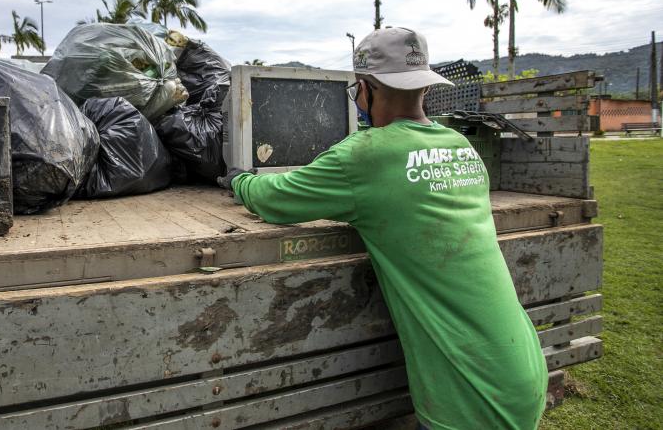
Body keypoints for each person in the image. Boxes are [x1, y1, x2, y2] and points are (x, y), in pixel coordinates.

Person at [218, 27, 547, 430]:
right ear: (424, 87)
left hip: (471, 396)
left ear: (367, 88)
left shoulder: (365, 156)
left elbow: (274, 198)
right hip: (521, 368)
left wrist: (238, 179)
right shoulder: (461, 148)